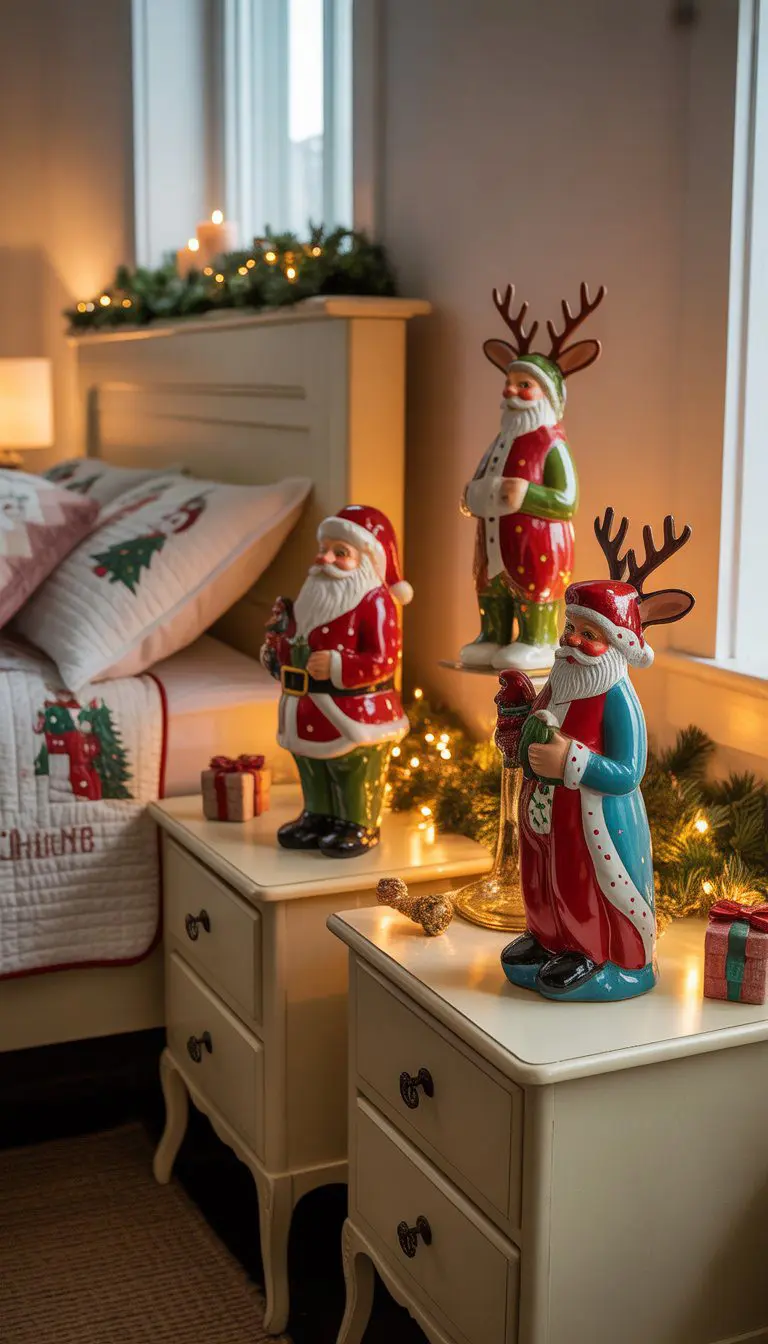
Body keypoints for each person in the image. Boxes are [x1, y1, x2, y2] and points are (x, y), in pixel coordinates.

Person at [262, 505, 412, 858]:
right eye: (324, 548)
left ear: (366, 560)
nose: (324, 558)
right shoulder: (310, 597)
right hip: (305, 707)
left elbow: (384, 659)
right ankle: (318, 815)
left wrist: (337, 664)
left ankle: (358, 822)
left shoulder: (375, 601)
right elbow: (295, 640)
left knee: (353, 769)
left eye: (340, 552)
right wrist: (276, 650)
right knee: (312, 765)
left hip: (355, 711)